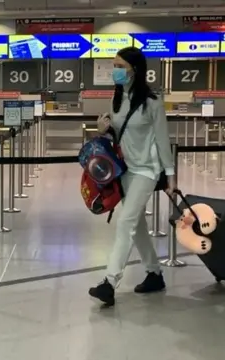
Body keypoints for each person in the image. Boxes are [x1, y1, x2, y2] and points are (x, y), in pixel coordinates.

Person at [88, 46, 176, 307]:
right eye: (113, 66)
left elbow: (162, 141)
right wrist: (102, 129)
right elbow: (117, 134)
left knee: (126, 222)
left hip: (146, 171)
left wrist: (170, 177)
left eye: (119, 67)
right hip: (124, 170)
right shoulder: (116, 100)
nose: (114, 71)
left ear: (135, 71)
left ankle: (109, 281)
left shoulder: (152, 103)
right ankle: (154, 273)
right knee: (136, 225)